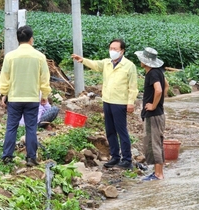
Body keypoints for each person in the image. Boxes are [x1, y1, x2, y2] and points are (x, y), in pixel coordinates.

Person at [71, 39, 139, 170]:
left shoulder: (129, 66)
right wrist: (82, 60)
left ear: (122, 51)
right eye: (111, 48)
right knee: (110, 131)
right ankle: (115, 157)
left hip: (120, 102)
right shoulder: (107, 63)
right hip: (107, 101)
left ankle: (127, 159)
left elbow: (133, 87)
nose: (112, 51)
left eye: (115, 49)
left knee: (122, 131)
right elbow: (95, 64)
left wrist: (131, 103)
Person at [0, 25, 51, 167]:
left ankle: (7, 156)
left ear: (18, 39)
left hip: (15, 98)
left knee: (11, 127)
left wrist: (4, 93)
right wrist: (44, 95)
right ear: (31, 39)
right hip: (32, 98)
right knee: (31, 128)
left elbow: (5, 77)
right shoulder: (40, 57)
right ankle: (31, 158)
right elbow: (44, 78)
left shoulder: (10, 56)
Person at [134, 47, 169, 181]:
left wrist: (154, 105)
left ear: (146, 62)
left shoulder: (152, 73)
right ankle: (158, 172)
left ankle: (158, 174)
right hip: (158, 113)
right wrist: (160, 103)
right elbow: (167, 85)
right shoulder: (158, 71)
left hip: (153, 115)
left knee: (154, 143)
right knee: (157, 142)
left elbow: (159, 90)